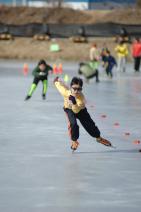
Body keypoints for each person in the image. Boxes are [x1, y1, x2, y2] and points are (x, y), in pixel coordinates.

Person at [54, 76, 112, 151]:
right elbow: (60, 87)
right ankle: (74, 141)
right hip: (69, 109)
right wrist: (56, 81)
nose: (76, 91)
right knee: (73, 124)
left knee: (90, 125)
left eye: (79, 89)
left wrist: (74, 102)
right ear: (71, 87)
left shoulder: (81, 98)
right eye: (74, 88)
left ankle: (99, 138)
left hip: (80, 110)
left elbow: (76, 111)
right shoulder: (66, 92)